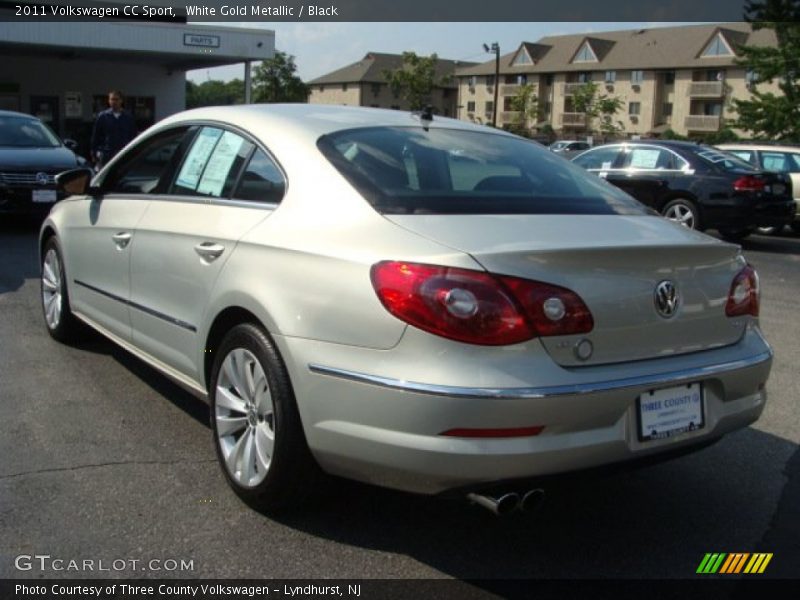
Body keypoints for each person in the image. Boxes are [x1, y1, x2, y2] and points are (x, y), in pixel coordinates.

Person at [90, 90, 136, 169]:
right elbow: (96, 135)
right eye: (111, 99)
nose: (114, 102)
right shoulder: (103, 116)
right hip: (107, 154)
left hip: (123, 152)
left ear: (121, 101)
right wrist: (93, 152)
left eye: (116, 99)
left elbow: (132, 135)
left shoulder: (128, 117)